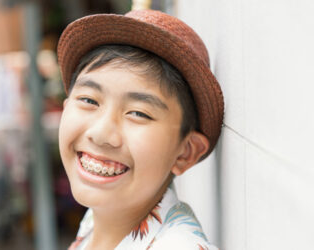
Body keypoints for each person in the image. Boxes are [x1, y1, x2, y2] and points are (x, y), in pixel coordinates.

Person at [57, 9, 224, 250]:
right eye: (89, 100)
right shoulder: (95, 220)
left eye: (138, 113)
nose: (102, 133)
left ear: (185, 152)